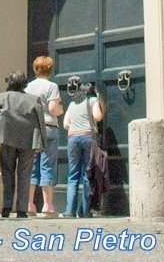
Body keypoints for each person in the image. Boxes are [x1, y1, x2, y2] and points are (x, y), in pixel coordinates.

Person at [0, 71, 46, 218]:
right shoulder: (34, 100)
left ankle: (6, 207)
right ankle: (21, 209)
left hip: (7, 139)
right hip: (28, 141)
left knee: (7, 173)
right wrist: (41, 143)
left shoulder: (1, 97)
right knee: (25, 175)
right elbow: (41, 123)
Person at [25, 55, 63, 217]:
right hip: (48, 127)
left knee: (32, 167)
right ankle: (47, 205)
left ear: (35, 69)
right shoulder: (52, 86)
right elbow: (53, 109)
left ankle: (29, 204)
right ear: (50, 69)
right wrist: (61, 110)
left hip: (32, 129)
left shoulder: (27, 87)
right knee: (47, 165)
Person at [62, 82, 103, 218]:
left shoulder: (72, 104)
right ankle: (85, 211)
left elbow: (66, 124)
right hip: (88, 137)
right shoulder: (92, 100)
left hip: (72, 138)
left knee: (72, 175)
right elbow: (98, 116)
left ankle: (69, 211)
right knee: (87, 174)